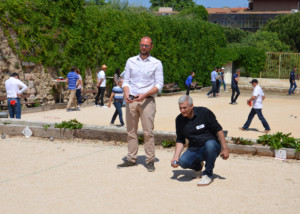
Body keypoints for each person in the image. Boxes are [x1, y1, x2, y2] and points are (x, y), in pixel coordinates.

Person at [117, 36, 164, 172]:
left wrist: (144, 94)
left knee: (148, 132)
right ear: (139, 45)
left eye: (146, 45)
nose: (144, 47)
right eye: (142, 45)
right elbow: (126, 81)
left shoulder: (156, 63)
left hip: (147, 100)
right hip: (131, 100)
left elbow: (159, 85)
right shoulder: (131, 61)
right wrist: (126, 91)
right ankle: (131, 159)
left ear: (151, 47)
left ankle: (150, 160)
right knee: (131, 131)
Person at [171, 95, 229, 186]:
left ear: (192, 106)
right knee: (183, 161)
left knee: (210, 145)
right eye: (180, 108)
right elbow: (180, 139)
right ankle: (198, 167)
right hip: (195, 148)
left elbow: (218, 129)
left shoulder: (204, 113)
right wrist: (175, 157)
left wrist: (225, 148)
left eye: (184, 108)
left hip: (212, 146)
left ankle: (207, 175)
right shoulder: (179, 120)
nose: (182, 110)